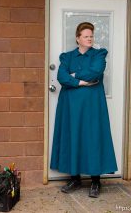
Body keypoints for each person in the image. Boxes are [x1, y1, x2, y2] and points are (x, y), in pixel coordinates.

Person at [50, 22, 117, 198]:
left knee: (93, 137)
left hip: (92, 104)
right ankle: (75, 178)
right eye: (86, 36)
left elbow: (95, 72)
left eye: (91, 36)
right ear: (78, 38)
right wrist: (80, 81)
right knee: (73, 136)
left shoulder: (99, 55)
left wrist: (74, 76)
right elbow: (61, 76)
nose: (90, 39)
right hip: (70, 105)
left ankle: (96, 181)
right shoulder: (67, 57)